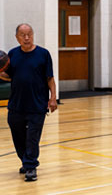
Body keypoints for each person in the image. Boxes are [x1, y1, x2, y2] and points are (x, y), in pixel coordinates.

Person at [0, 23, 57, 182]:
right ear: (17, 37)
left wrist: (53, 98)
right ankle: (25, 160)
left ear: (33, 35)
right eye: (23, 35)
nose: (27, 38)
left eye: (29, 34)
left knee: (32, 138)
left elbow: (50, 78)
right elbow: (8, 76)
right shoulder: (12, 54)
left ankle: (31, 167)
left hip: (37, 105)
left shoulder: (43, 54)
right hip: (16, 105)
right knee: (18, 137)